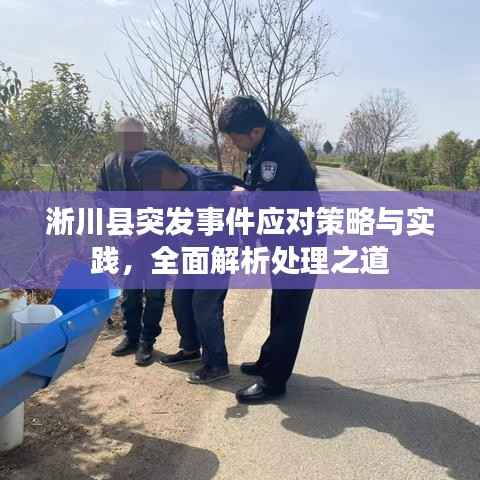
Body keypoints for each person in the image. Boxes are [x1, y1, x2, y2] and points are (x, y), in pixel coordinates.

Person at [218, 96, 318, 403]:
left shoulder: (278, 150)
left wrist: (241, 197)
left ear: (255, 131)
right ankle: (269, 361)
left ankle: (274, 382)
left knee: (289, 311)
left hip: (300, 243)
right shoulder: (263, 143)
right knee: (281, 304)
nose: (233, 144)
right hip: (285, 238)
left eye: (235, 138)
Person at [131, 150, 247, 384]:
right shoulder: (164, 193)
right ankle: (191, 348)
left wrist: (240, 194)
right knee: (181, 301)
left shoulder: (204, 182)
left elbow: (243, 189)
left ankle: (217, 364)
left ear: (163, 172)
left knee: (204, 306)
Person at [97, 117, 166, 366]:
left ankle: (147, 341)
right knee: (130, 290)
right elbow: (100, 197)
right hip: (125, 239)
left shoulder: (157, 162)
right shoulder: (109, 163)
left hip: (156, 238)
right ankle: (131, 336)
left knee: (155, 292)